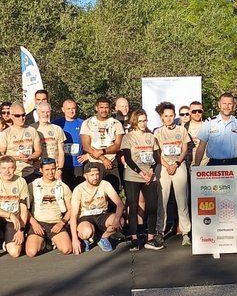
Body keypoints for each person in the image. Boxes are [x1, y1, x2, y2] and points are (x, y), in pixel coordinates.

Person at [120, 109, 164, 250]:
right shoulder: (128, 137)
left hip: (150, 176)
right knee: (133, 206)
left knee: (152, 206)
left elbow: (155, 157)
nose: (143, 123)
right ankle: (134, 238)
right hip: (133, 176)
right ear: (134, 122)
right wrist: (141, 173)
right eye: (140, 121)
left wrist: (150, 171)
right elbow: (128, 158)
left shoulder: (151, 137)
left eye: (145, 120)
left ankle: (150, 237)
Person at [154, 102, 193, 244]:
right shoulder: (157, 132)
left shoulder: (181, 130)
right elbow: (156, 153)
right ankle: (160, 231)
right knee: (162, 201)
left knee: (182, 200)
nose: (169, 118)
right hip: (163, 166)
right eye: (166, 116)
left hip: (178, 165)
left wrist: (176, 164)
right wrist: (167, 166)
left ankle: (185, 232)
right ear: (161, 117)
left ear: (175, 116)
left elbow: (185, 149)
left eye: (171, 116)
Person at [69, 161, 125, 253]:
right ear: (85, 176)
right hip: (85, 217)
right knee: (86, 232)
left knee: (120, 221)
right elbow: (73, 215)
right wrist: (74, 239)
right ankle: (87, 238)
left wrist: (116, 220)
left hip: (102, 215)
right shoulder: (78, 189)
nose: (95, 177)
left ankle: (104, 237)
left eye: (97, 174)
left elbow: (120, 204)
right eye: (92, 175)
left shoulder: (104, 184)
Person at [0, 156, 29, 261]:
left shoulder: (21, 181)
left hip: (14, 220)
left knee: (15, 253)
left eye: (10, 168)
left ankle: (7, 242)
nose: (7, 171)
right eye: (4, 168)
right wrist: (9, 215)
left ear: (15, 168)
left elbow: (24, 208)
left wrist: (21, 229)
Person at [25, 158, 73, 257]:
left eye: (53, 169)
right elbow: (24, 208)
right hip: (39, 223)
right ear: (41, 170)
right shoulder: (33, 185)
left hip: (56, 223)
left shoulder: (63, 186)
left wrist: (61, 223)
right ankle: (44, 242)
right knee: (31, 252)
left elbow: (71, 209)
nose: (50, 172)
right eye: (47, 169)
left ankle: (53, 239)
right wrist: (34, 223)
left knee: (67, 249)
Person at [194, 93, 237, 166]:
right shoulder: (209, 122)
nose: (227, 106)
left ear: (233, 105)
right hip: (214, 164)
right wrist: (196, 165)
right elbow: (201, 146)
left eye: (230, 104)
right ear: (219, 105)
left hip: (234, 164)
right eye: (224, 103)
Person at [81, 97, 125, 189]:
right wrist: (104, 159)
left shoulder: (116, 123)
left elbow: (118, 145)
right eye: (101, 107)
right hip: (94, 163)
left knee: (113, 191)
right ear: (96, 108)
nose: (104, 110)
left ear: (109, 109)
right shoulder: (87, 123)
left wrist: (102, 151)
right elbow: (86, 146)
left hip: (112, 161)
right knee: (95, 191)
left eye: (106, 107)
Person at [0, 102, 41, 181]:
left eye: (23, 115)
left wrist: (30, 157)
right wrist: (18, 158)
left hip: (30, 172)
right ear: (11, 116)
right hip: (12, 174)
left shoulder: (32, 130)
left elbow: (38, 151)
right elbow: (1, 157)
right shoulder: (6, 133)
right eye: (17, 116)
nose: (21, 118)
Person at [53, 99, 85, 187]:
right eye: (68, 109)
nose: (71, 111)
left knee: (78, 189)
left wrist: (87, 155)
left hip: (78, 163)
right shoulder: (56, 124)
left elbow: (90, 141)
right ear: (63, 109)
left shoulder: (83, 123)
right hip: (61, 165)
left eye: (73, 108)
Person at [34, 100, 66, 169]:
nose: (45, 114)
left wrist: (60, 169)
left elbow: (61, 152)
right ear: (38, 112)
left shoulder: (57, 129)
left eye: (48, 112)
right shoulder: (32, 128)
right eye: (43, 112)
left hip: (54, 168)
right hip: (38, 168)